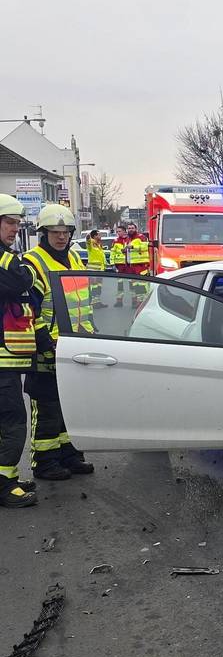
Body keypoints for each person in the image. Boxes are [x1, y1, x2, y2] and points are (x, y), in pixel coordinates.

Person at [23, 204, 96, 481]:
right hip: (47, 347)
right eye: (55, 232)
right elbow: (28, 311)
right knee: (47, 406)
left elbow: (84, 302)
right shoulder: (33, 263)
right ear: (43, 233)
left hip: (75, 344)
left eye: (66, 232)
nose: (61, 237)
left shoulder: (75, 258)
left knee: (70, 404)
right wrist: (43, 343)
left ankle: (70, 454)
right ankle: (44, 462)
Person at [0, 196, 39, 508]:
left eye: (17, 223)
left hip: (7, 360)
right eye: (10, 222)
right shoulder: (4, 261)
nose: (15, 228)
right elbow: (22, 279)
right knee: (13, 422)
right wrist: (22, 268)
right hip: (1, 362)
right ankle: (3, 484)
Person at [126, 222, 150, 304]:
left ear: (136, 229)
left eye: (132, 228)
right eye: (129, 228)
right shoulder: (129, 239)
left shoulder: (141, 237)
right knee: (135, 284)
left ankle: (144, 302)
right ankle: (139, 301)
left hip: (141, 264)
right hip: (132, 264)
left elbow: (145, 246)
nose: (130, 230)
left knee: (142, 284)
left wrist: (133, 247)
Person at [86, 229, 107, 309]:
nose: (100, 236)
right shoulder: (91, 244)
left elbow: (102, 257)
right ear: (94, 236)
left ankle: (97, 302)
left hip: (100, 269)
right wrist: (88, 237)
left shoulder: (98, 245)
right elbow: (87, 241)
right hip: (93, 270)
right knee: (93, 287)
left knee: (98, 286)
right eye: (99, 235)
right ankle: (93, 303)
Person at [110, 224, 129, 307]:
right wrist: (112, 264)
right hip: (120, 265)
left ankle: (135, 301)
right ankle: (119, 301)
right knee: (119, 284)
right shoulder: (115, 241)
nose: (118, 233)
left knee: (132, 283)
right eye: (117, 231)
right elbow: (112, 253)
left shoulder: (130, 240)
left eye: (119, 231)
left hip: (129, 264)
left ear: (124, 231)